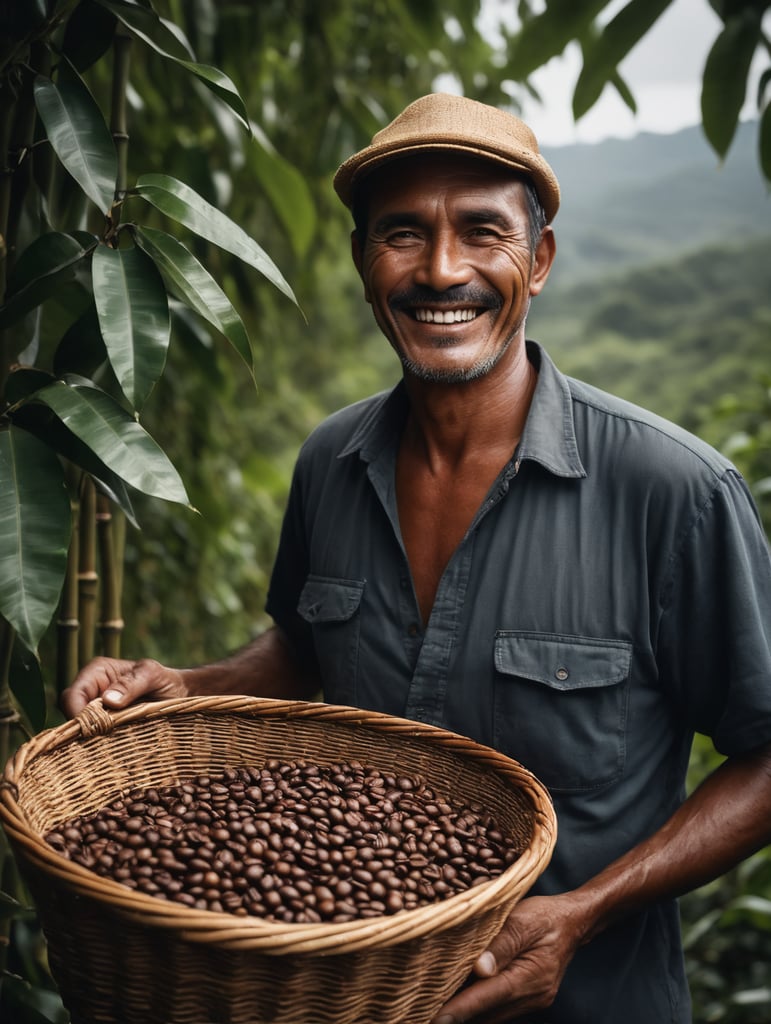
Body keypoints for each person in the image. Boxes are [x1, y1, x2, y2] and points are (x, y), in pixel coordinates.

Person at [63, 93, 771, 1024]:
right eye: (403, 234)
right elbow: (308, 651)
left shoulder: (672, 492)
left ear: (539, 259)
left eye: (482, 231)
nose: (442, 270)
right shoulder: (330, 463)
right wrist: (190, 686)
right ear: (365, 262)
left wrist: (582, 916)